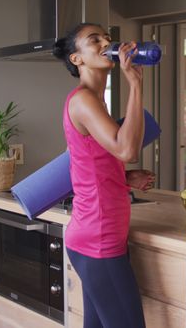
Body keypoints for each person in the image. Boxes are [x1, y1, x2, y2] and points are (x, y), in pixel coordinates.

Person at [52, 23, 155, 328]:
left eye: (107, 38)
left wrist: (124, 178)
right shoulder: (84, 100)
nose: (106, 42)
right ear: (77, 59)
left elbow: (89, 164)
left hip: (95, 233)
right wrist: (135, 85)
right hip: (99, 237)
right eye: (93, 40)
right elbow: (127, 149)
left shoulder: (94, 100)